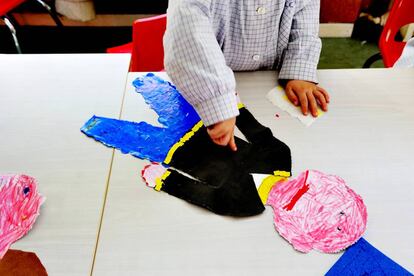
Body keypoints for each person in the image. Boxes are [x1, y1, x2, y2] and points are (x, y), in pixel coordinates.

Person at [164, 0, 330, 152]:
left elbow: (305, 19)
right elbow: (189, 28)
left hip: (268, 83)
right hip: (207, 82)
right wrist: (216, 100)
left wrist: (298, 69)